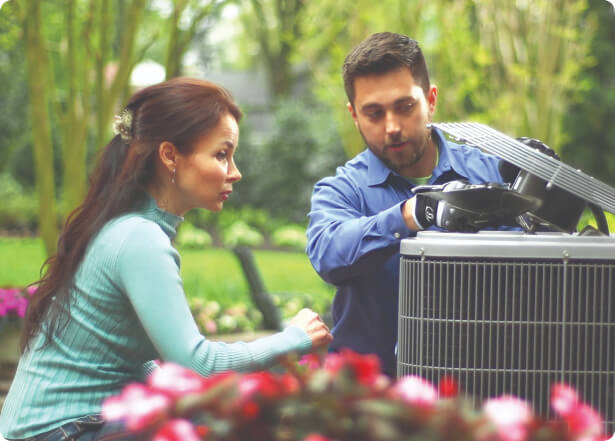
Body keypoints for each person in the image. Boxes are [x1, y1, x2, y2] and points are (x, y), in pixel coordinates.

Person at [0, 78, 332, 441]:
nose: (235, 172)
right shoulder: (139, 238)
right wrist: (295, 338)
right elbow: (198, 365)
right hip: (62, 432)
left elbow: (137, 360)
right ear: (170, 155)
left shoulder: (124, 229)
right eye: (221, 154)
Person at [306, 32, 508, 378]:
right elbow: (328, 253)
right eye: (374, 113)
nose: (393, 127)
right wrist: (411, 215)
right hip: (373, 405)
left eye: (405, 107)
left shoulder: (492, 174)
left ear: (431, 100)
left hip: (480, 387)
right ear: (354, 115)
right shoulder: (341, 191)